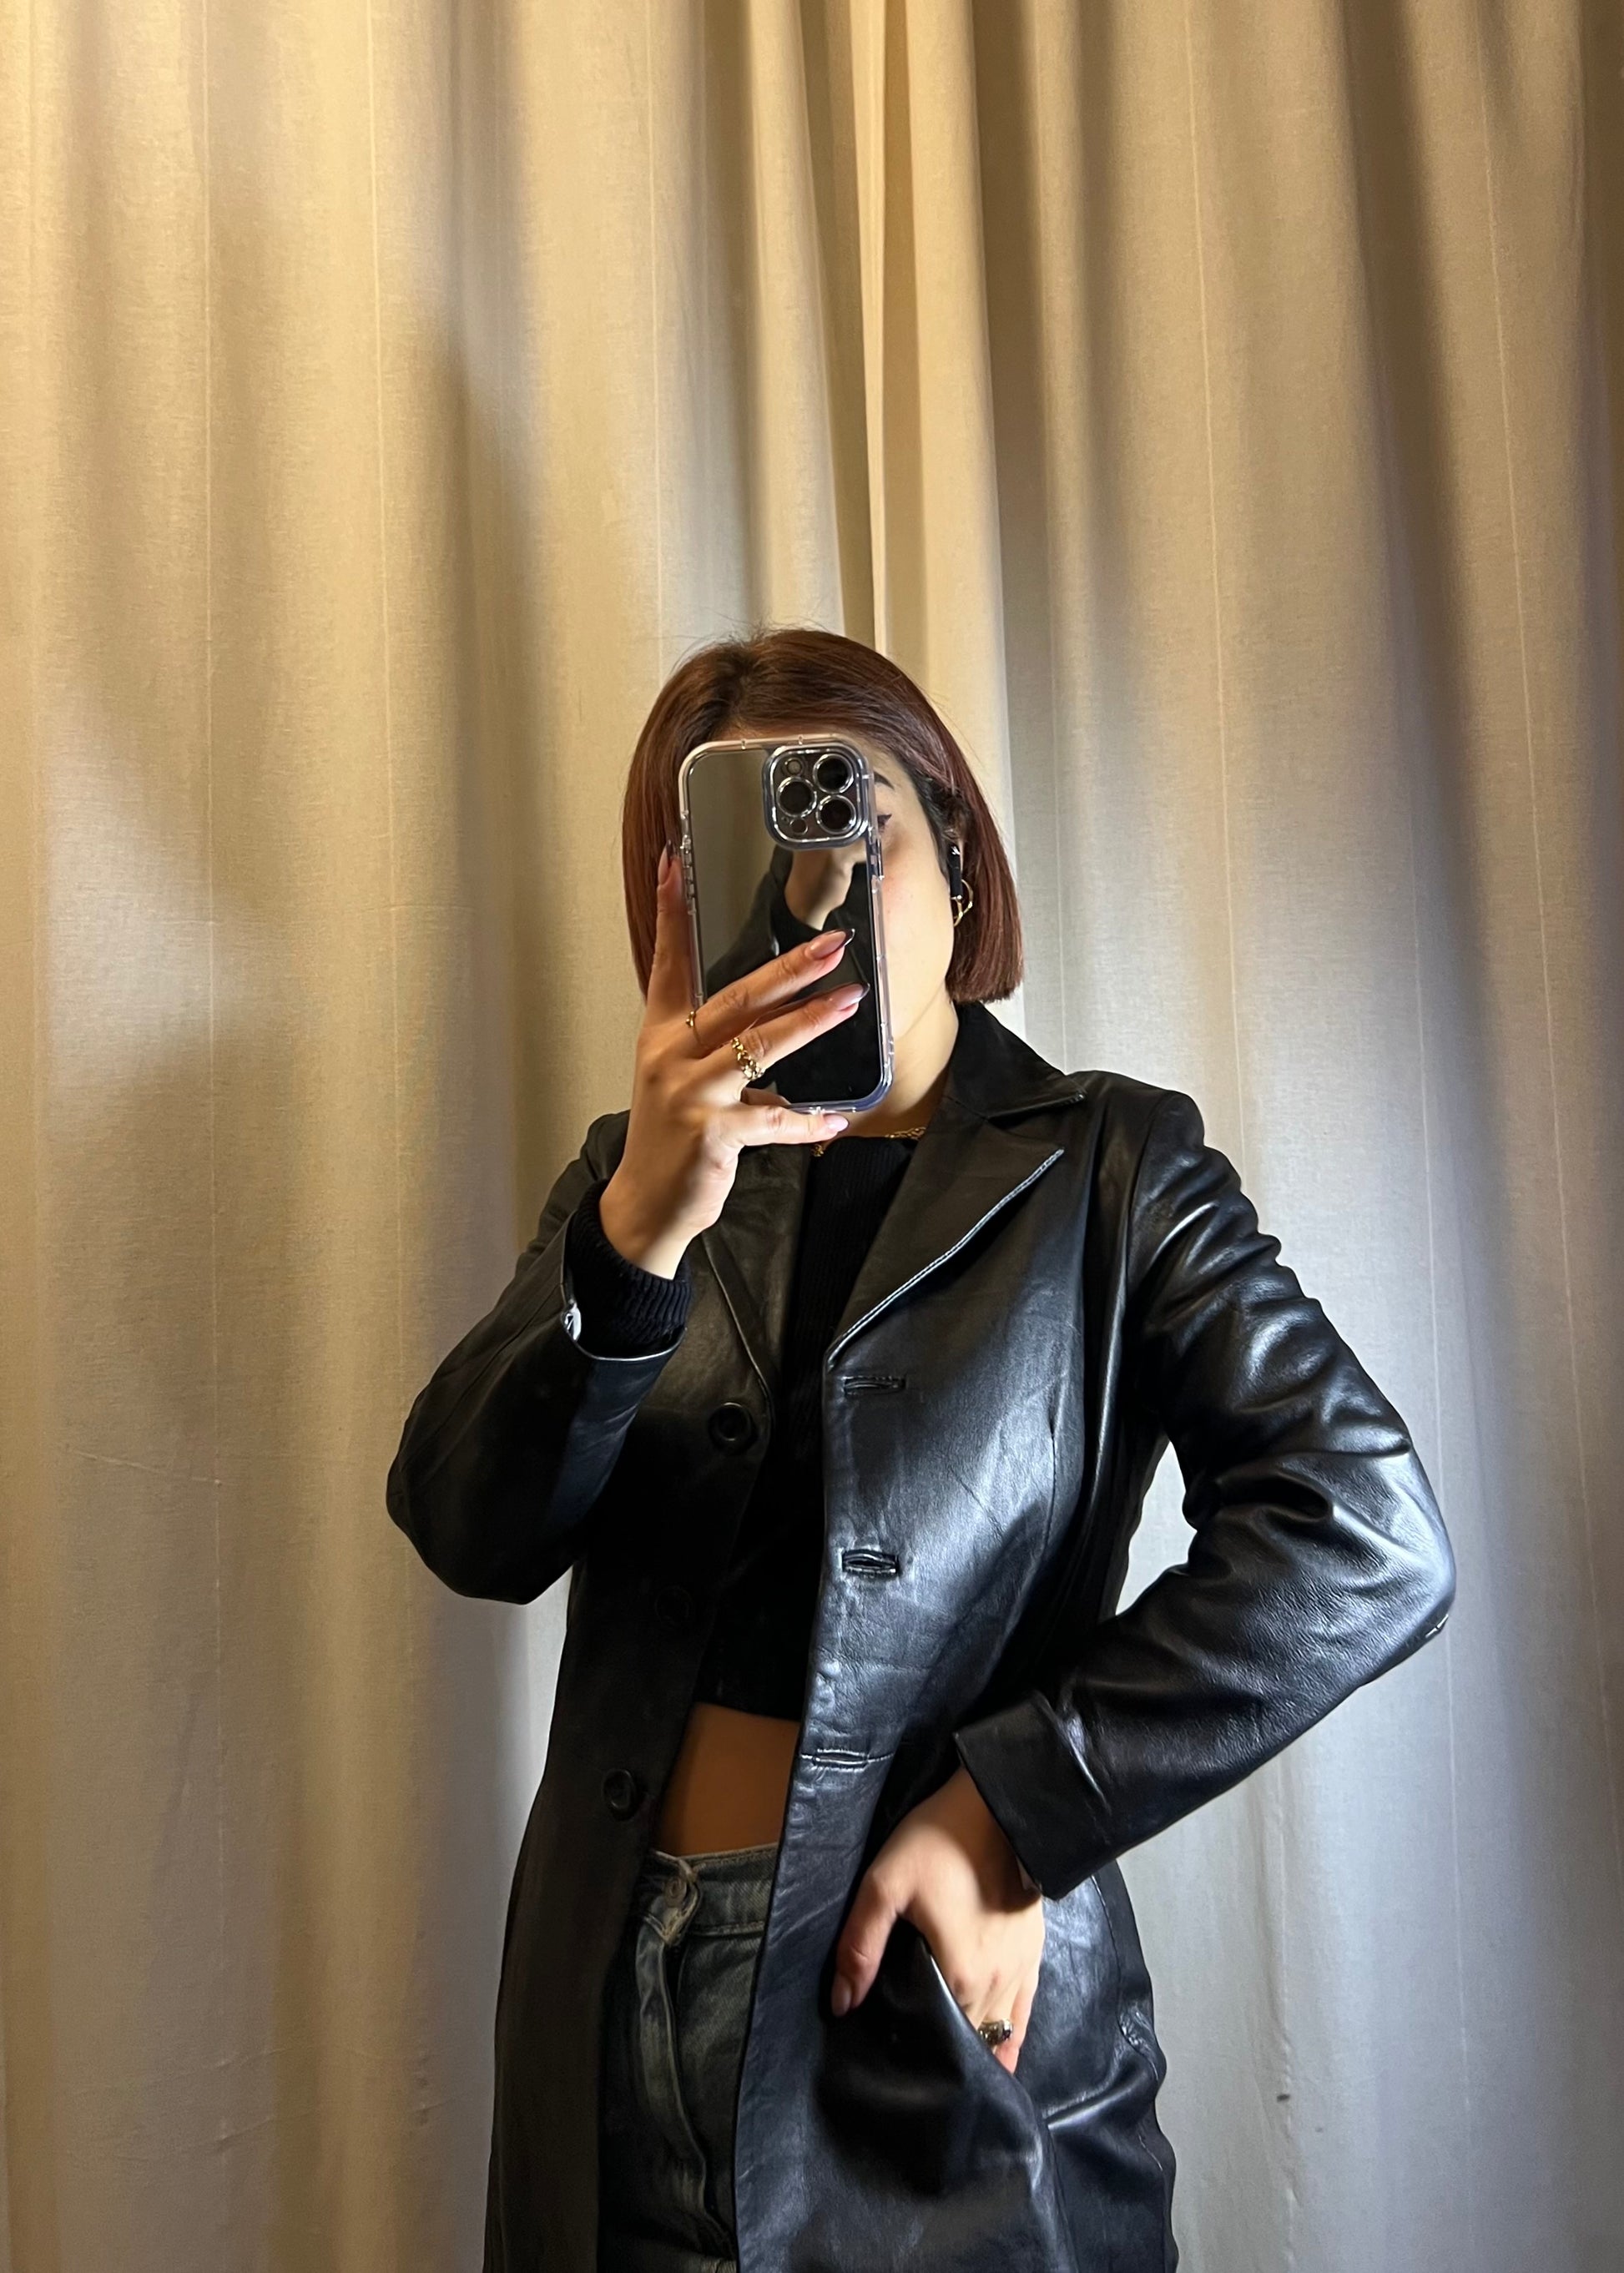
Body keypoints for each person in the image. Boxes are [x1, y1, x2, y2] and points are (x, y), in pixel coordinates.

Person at [386, 628, 1455, 2273]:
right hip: (604, 2012)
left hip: (930, 2028)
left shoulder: (1110, 1167)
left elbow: (1362, 1532)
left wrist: (1013, 1809)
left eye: (850, 829)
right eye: (746, 859)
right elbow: (469, 1526)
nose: (812, 903)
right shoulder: (631, 1177)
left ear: (955, 857)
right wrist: (635, 1236)